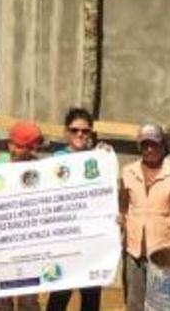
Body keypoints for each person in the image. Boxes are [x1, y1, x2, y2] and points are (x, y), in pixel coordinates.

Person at [44, 108, 109, 311]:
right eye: (74, 130)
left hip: (91, 241)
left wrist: (106, 157)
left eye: (85, 131)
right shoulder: (56, 160)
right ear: (66, 132)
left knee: (90, 298)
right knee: (59, 296)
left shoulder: (99, 159)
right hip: (64, 241)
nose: (80, 134)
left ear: (91, 133)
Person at [118, 124, 170, 311]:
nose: (149, 149)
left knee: (162, 303)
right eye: (145, 145)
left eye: (154, 144)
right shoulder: (128, 171)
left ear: (163, 145)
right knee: (134, 302)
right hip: (134, 251)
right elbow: (123, 206)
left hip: (163, 251)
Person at [0, 121, 45, 311]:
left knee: (28, 299)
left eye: (24, 146)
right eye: (14, 144)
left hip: (28, 244)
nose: (15, 149)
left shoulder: (40, 168)